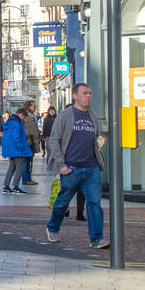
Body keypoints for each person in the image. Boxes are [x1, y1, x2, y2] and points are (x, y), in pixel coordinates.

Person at [46, 82, 107, 247]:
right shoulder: (66, 115)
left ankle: (97, 239)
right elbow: (54, 140)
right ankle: (52, 228)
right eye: (85, 93)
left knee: (94, 203)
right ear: (75, 96)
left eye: (90, 93)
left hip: (92, 167)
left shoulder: (92, 115)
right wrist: (61, 165)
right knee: (62, 202)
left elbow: (97, 137)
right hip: (72, 168)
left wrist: (100, 142)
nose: (89, 96)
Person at [1, 107, 34, 194]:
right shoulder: (17, 123)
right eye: (23, 117)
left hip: (11, 149)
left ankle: (6, 186)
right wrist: (22, 148)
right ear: (20, 115)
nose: (23, 119)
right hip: (17, 150)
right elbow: (17, 138)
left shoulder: (9, 122)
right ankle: (15, 186)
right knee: (20, 168)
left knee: (11, 168)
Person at [21, 101, 40, 184]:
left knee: (29, 161)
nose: (34, 107)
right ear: (28, 107)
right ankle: (26, 179)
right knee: (26, 161)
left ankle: (28, 178)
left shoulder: (32, 116)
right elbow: (29, 131)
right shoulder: (27, 117)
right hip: (29, 142)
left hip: (32, 141)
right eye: (33, 106)